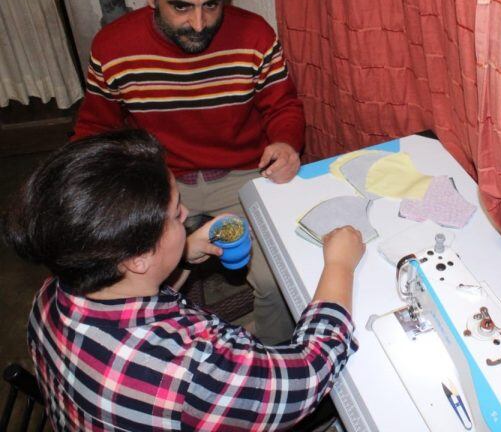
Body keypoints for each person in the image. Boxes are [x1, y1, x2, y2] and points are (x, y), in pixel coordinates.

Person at [2, 129, 364, 431]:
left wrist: (180, 252)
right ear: (137, 257)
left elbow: (130, 301)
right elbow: (306, 377)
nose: (187, 213)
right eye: (176, 214)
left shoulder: (54, 290)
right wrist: (339, 265)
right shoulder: (193, 371)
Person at [71, 0, 304, 344]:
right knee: (129, 287)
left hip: (243, 177)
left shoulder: (255, 35)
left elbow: (283, 105)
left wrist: (286, 142)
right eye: (181, 7)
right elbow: (95, 128)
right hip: (160, 183)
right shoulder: (111, 47)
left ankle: (267, 371)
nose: (199, 24)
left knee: (279, 283)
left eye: (212, 5)